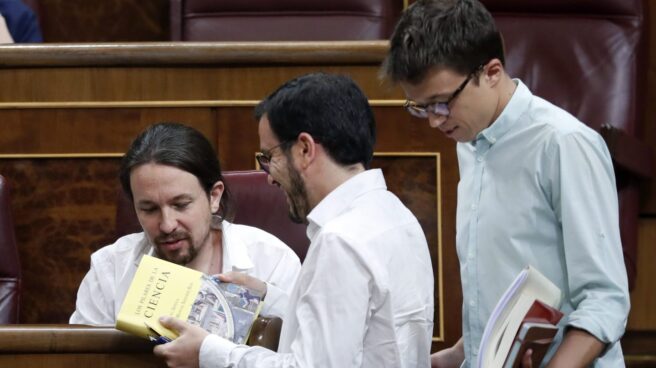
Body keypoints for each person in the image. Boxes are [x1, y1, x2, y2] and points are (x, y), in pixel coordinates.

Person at [381, 0, 630, 367]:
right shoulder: (469, 142)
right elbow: (504, 287)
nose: (434, 121)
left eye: (442, 102)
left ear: (492, 71)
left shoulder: (562, 144)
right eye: (421, 107)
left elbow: (605, 299)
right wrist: (453, 357)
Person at [152, 73, 435, 368]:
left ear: (304, 149)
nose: (269, 177)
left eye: (269, 157)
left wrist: (208, 352)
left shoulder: (341, 240)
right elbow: (355, 332)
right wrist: (266, 296)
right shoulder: (395, 214)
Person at [70, 122, 301, 324]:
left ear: (214, 196)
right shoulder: (110, 269)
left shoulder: (272, 261)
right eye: (149, 209)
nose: (167, 225)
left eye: (181, 205)